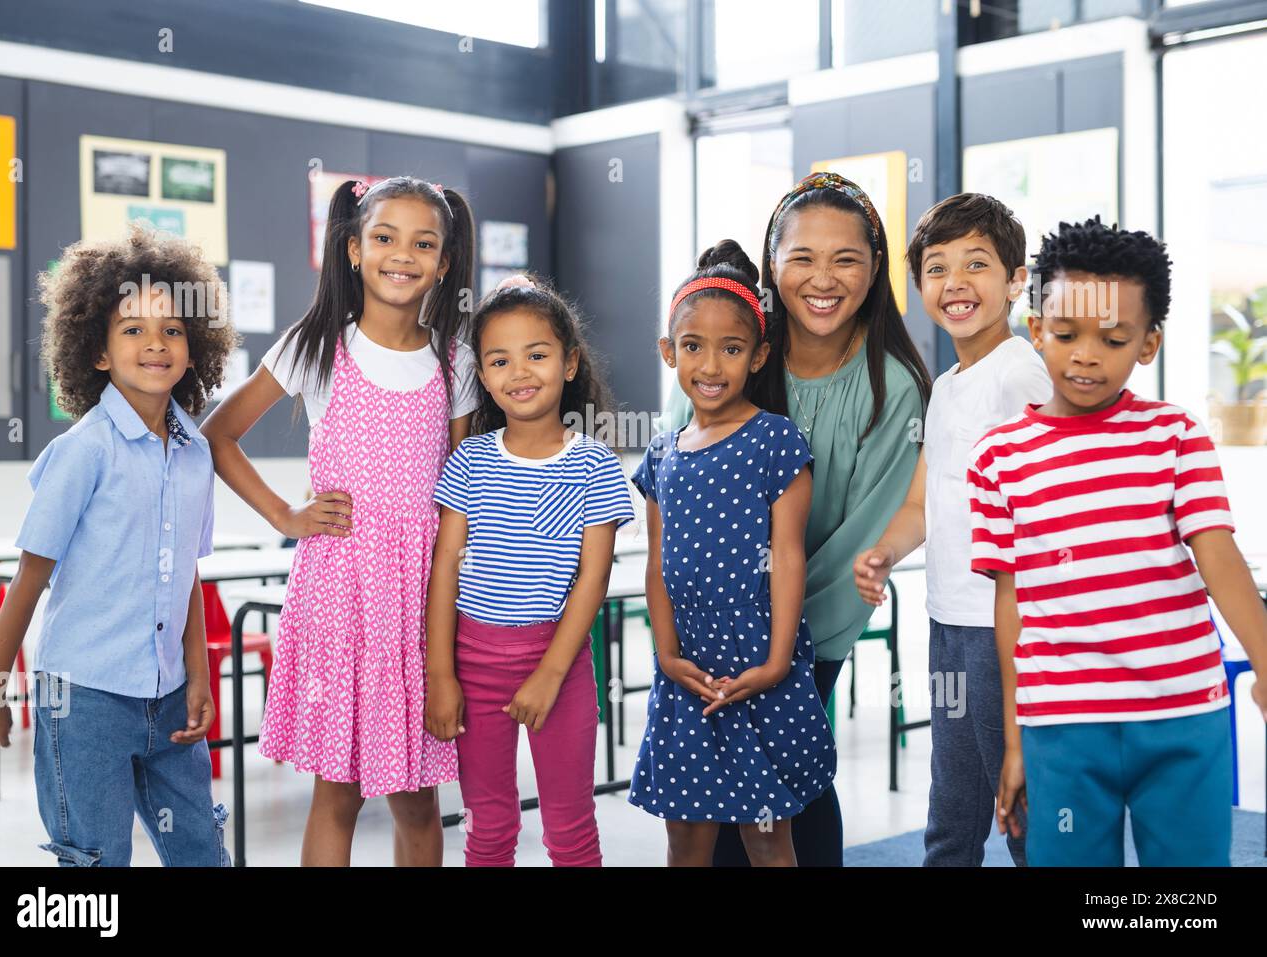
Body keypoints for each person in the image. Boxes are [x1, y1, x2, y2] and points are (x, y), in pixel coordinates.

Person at [970, 217, 1267, 866]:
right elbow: (1011, 604)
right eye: (1067, 334)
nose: (1085, 354)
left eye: (1113, 338)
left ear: (1148, 343)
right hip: (1063, 726)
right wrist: (1015, 742)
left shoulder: (1176, 436)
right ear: (1037, 329)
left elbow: (1218, 557)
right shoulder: (998, 458)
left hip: (1184, 715)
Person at [200, 175, 476, 866]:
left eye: (423, 243)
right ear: (353, 249)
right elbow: (217, 433)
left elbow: (462, 490)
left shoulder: (456, 360)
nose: (401, 255)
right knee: (339, 789)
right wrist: (287, 515)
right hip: (339, 598)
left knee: (417, 798)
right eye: (384, 238)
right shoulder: (318, 344)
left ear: (444, 262)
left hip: (419, 603)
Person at [661, 173, 932, 865]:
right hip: (706, 632)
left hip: (802, 637)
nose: (824, 277)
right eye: (803, 257)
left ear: (875, 269)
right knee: (708, 805)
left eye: (846, 258)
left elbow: (862, 540)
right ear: (772, 260)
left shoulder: (891, 387)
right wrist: (695, 633)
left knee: (787, 790)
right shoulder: (726, 348)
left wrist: (777, 646)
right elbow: (673, 487)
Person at [0, 225, 237, 866]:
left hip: (170, 697)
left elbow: (188, 579)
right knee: (95, 860)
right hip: (84, 701)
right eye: (133, 330)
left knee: (200, 849)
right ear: (96, 352)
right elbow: (27, 580)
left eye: (173, 330)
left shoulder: (197, 453)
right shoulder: (83, 451)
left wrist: (198, 675)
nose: (156, 344)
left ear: (195, 350)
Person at [853, 193, 1050, 865]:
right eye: (937, 268)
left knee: (1022, 809)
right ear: (919, 287)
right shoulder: (946, 386)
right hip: (949, 622)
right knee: (953, 807)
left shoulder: (1020, 372)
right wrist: (883, 550)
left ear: (1017, 279)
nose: (955, 282)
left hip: (1004, 626)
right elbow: (922, 502)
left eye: (977, 264)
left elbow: (1047, 500)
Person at [628, 240, 836, 866]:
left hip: (759, 663)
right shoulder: (662, 453)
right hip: (687, 670)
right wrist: (666, 654)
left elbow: (789, 556)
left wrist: (776, 664)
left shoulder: (776, 440)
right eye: (693, 346)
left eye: (732, 348)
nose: (711, 364)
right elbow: (657, 565)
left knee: (767, 834)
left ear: (759, 355)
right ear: (669, 352)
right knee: (685, 833)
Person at [425, 277, 632, 866]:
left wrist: (550, 673)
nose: (520, 372)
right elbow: (446, 568)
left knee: (569, 830)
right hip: (473, 663)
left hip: (559, 664)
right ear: (484, 377)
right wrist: (441, 674)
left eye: (536, 355)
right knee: (488, 826)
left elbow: (592, 582)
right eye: (499, 360)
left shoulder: (594, 464)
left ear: (569, 363)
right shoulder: (469, 460)